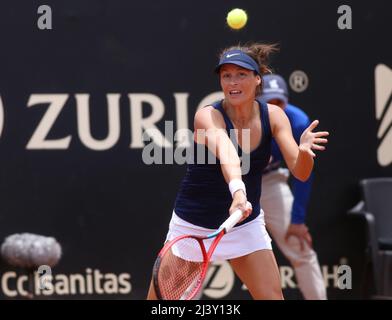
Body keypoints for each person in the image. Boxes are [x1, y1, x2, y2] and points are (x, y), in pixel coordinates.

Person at [146, 43, 329, 300]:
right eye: (226, 75)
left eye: (241, 74)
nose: (233, 81)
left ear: (257, 79)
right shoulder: (207, 116)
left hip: (245, 226)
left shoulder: (275, 116)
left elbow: (300, 172)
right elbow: (228, 154)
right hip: (193, 225)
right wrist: (239, 193)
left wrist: (305, 154)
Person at [258, 74, 327, 300]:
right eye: (269, 101)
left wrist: (297, 220)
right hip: (232, 184)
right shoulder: (243, 116)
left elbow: (303, 173)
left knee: (300, 247)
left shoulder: (297, 122)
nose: (274, 106)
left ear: (286, 102)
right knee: (205, 247)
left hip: (269, 182)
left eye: (279, 102)